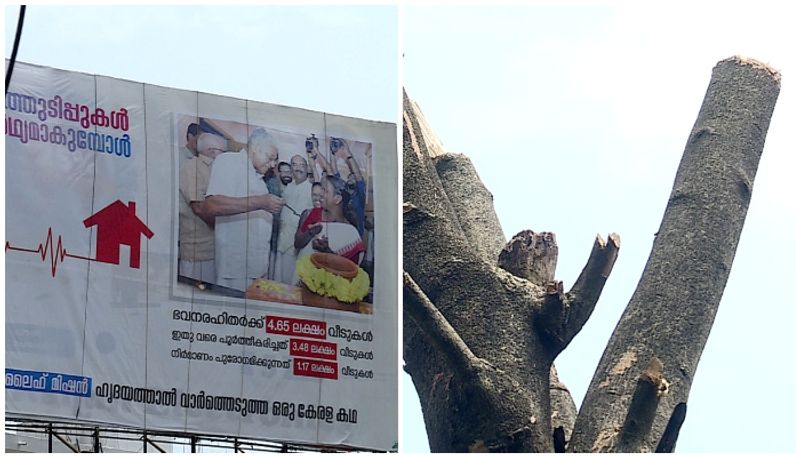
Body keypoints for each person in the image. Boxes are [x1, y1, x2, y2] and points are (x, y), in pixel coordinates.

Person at [204, 128, 284, 292]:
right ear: (255, 148)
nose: (274, 164)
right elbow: (212, 205)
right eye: (270, 158)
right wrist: (261, 202)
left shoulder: (260, 181)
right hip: (234, 269)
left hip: (257, 269)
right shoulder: (228, 162)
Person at [294, 175, 365, 285]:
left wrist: (327, 251)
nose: (320, 193)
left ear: (337, 199)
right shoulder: (313, 213)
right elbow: (297, 244)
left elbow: (350, 270)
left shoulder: (350, 232)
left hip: (332, 288)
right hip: (304, 281)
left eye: (325, 190)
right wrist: (311, 232)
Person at [178, 133, 228, 284]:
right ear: (212, 150)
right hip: (197, 250)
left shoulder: (215, 170)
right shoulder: (192, 167)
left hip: (213, 248)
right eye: (224, 152)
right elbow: (198, 207)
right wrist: (224, 229)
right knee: (194, 298)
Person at [274, 155, 315, 283]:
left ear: (307, 168)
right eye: (294, 165)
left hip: (297, 243)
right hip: (282, 238)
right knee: (278, 277)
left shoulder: (311, 189)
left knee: (291, 279)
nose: (298, 168)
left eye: (301, 165)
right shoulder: (289, 187)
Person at [330, 138, 367, 237]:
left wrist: (347, 153)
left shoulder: (359, 195)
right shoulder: (343, 192)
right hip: (340, 230)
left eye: (354, 177)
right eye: (349, 177)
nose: (351, 178)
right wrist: (332, 152)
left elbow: (358, 174)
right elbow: (334, 174)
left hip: (356, 234)